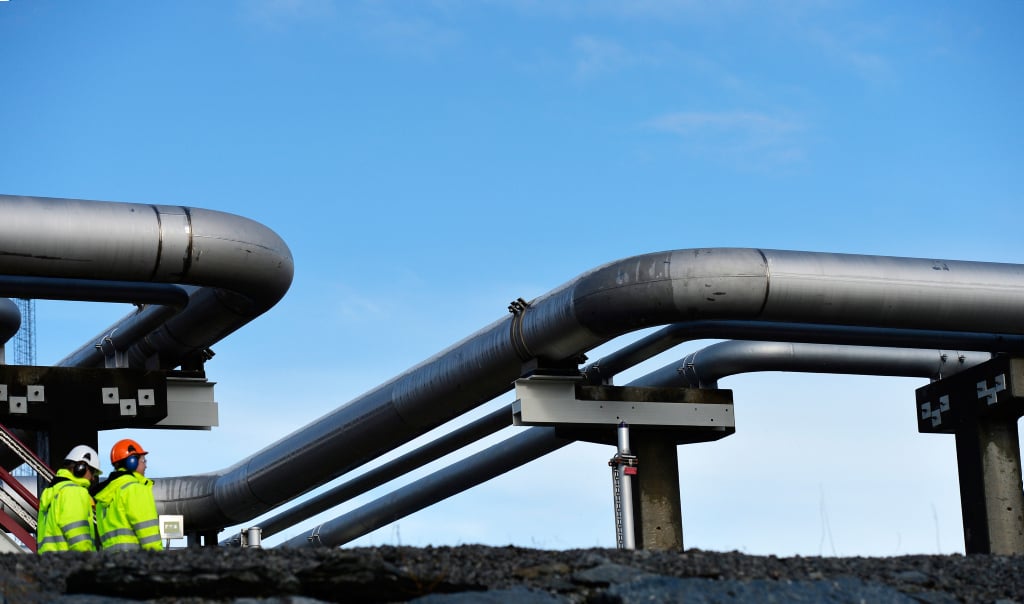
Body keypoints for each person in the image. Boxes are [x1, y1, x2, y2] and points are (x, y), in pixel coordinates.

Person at [92, 438, 163, 551]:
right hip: (136, 563)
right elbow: (149, 536)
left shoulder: (103, 498)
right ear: (132, 462)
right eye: (143, 461)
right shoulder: (135, 490)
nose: (146, 466)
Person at [36, 444, 102, 553]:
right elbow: (78, 536)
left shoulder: (52, 492)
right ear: (81, 468)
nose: (93, 478)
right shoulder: (74, 492)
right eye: (92, 472)